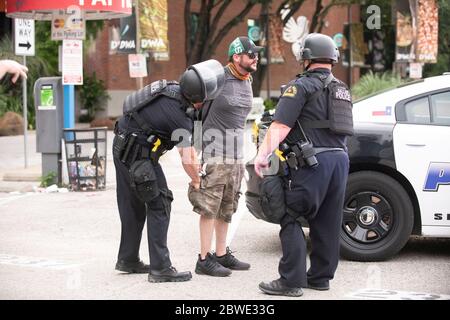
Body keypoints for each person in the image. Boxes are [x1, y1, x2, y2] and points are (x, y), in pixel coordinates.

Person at [254, 33, 353, 296]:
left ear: (305, 58)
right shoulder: (342, 89)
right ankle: (320, 278)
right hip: (340, 161)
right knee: (328, 219)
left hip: (312, 163)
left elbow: (281, 125)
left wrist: (262, 155)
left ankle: (290, 281)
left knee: (290, 213)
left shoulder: (300, 86)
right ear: (333, 57)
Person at [113, 60, 225, 283]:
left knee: (132, 204)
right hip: (138, 155)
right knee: (159, 202)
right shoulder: (180, 115)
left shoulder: (170, 88)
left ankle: (128, 259)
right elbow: (188, 158)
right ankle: (161, 268)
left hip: (121, 146)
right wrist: (196, 181)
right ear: (199, 99)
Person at [188, 36, 263, 277]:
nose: (256, 58)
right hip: (215, 154)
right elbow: (194, 112)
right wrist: (193, 150)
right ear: (236, 56)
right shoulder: (217, 79)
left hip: (235, 155)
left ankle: (221, 254)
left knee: (227, 206)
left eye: (256, 54)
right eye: (252, 54)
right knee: (209, 207)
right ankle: (203, 258)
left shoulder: (247, 79)